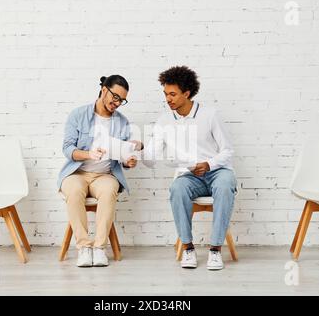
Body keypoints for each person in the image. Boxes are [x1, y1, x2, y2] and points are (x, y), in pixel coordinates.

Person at [143, 66, 237, 270]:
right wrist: (138, 150)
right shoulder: (164, 121)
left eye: (172, 94)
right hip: (189, 176)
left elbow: (228, 151)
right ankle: (188, 248)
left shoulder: (210, 115)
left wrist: (209, 164)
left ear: (186, 93)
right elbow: (150, 160)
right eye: (165, 94)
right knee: (177, 189)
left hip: (217, 172)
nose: (168, 99)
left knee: (224, 185)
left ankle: (215, 251)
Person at [57, 75, 141, 267]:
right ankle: (84, 248)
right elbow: (68, 149)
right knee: (73, 190)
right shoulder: (78, 115)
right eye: (115, 97)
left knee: (109, 190)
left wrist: (128, 161)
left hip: (105, 175)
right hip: (77, 173)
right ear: (104, 90)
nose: (117, 103)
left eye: (122, 100)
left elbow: (123, 153)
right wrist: (89, 154)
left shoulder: (122, 122)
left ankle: (99, 248)